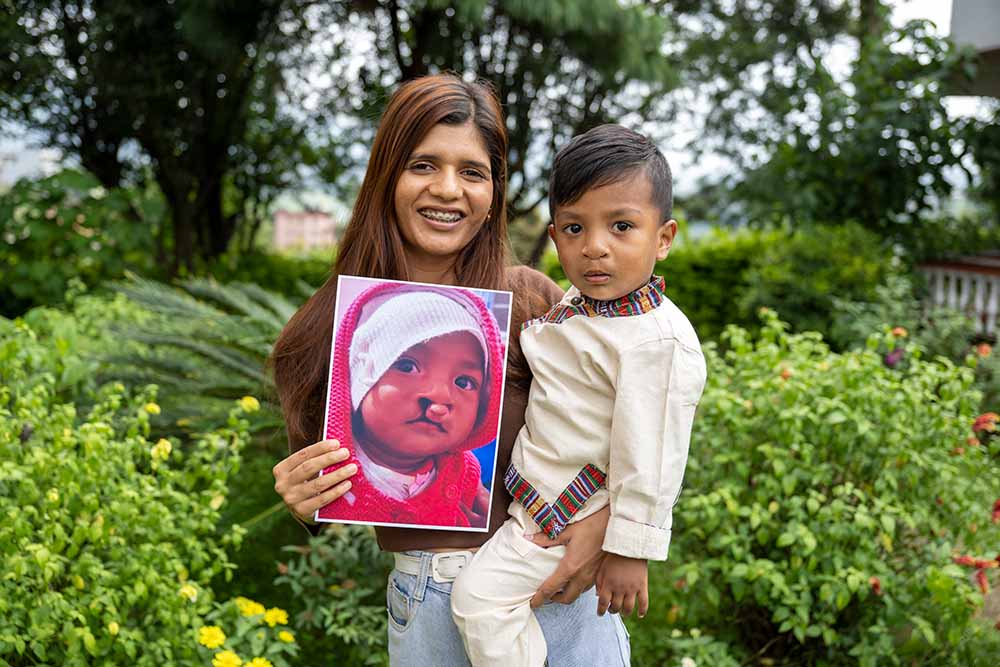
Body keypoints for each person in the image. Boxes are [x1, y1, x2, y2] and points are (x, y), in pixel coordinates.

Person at [269, 74, 631, 666]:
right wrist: (306, 498)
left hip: (558, 589)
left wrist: (607, 524)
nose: (447, 190)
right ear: (387, 176)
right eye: (422, 165)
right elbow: (335, 488)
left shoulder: (534, 303)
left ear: (494, 191)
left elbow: (635, 421)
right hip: (433, 600)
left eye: (472, 172)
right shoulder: (326, 329)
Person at [450, 124, 708, 666]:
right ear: (553, 237)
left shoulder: (656, 341)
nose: (595, 247)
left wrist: (628, 550)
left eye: (621, 226)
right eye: (574, 228)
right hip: (539, 499)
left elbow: (654, 454)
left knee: (477, 602)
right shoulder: (585, 303)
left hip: (574, 513)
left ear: (663, 238)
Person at [318, 283, 504, 529]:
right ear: (361, 373)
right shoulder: (329, 469)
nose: (439, 396)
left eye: (464, 382)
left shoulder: (466, 474)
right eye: (407, 366)